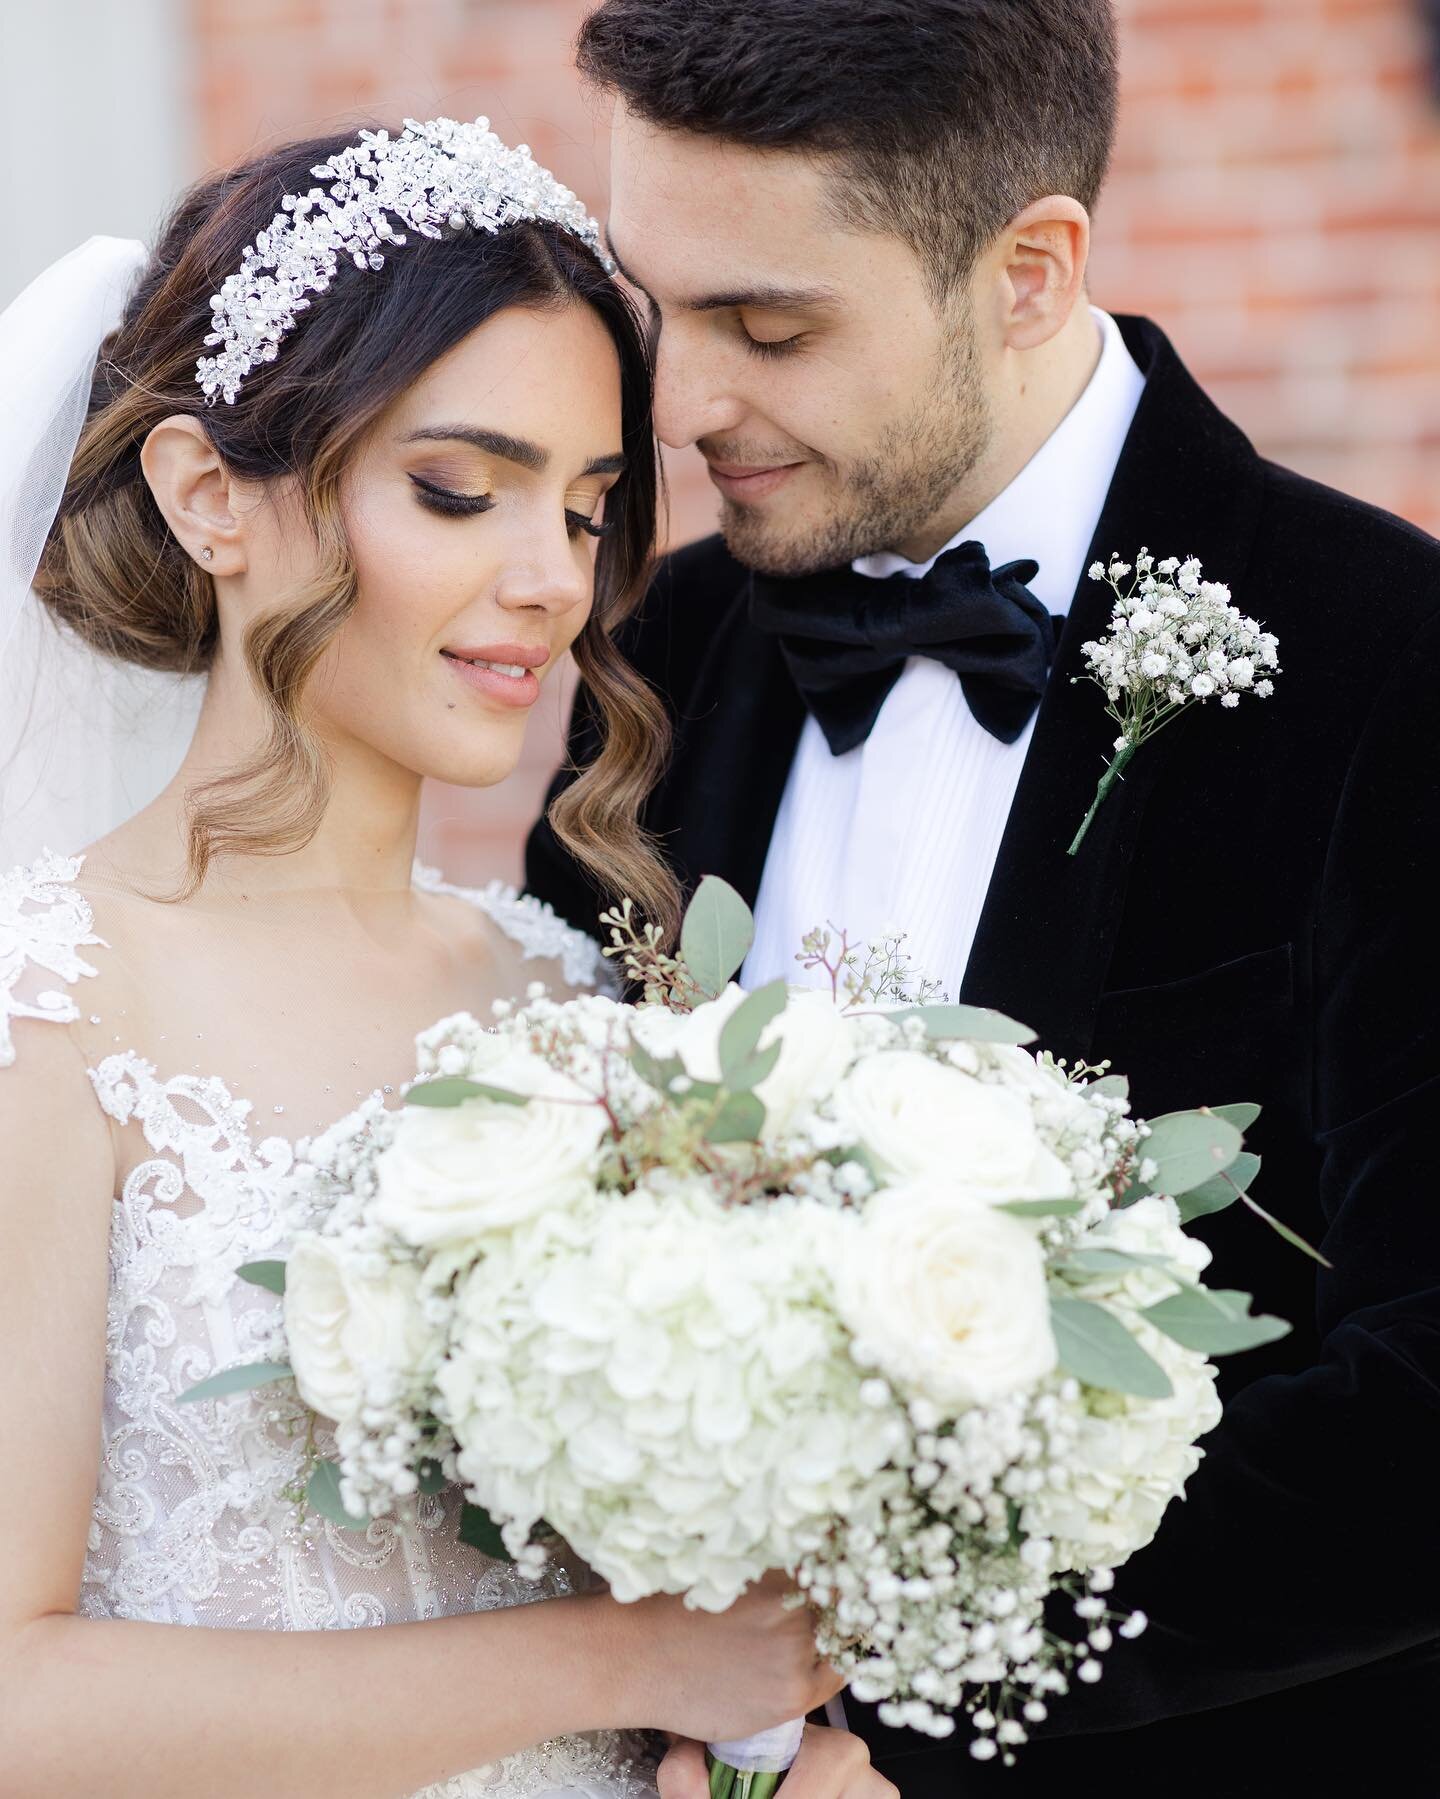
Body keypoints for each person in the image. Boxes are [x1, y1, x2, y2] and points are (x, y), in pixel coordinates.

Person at [525, 5, 1440, 1793]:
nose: (681, 404)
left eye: (768, 324)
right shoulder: (662, 644)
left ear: (1028, 269)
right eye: (659, 310)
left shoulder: (1389, 665)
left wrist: (929, 1713)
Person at [0, 119, 846, 1797]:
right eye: (460, 490)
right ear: (204, 496)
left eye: (592, 505)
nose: (554, 581)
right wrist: (621, 1659)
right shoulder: (49, 1006)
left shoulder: (583, 1005)